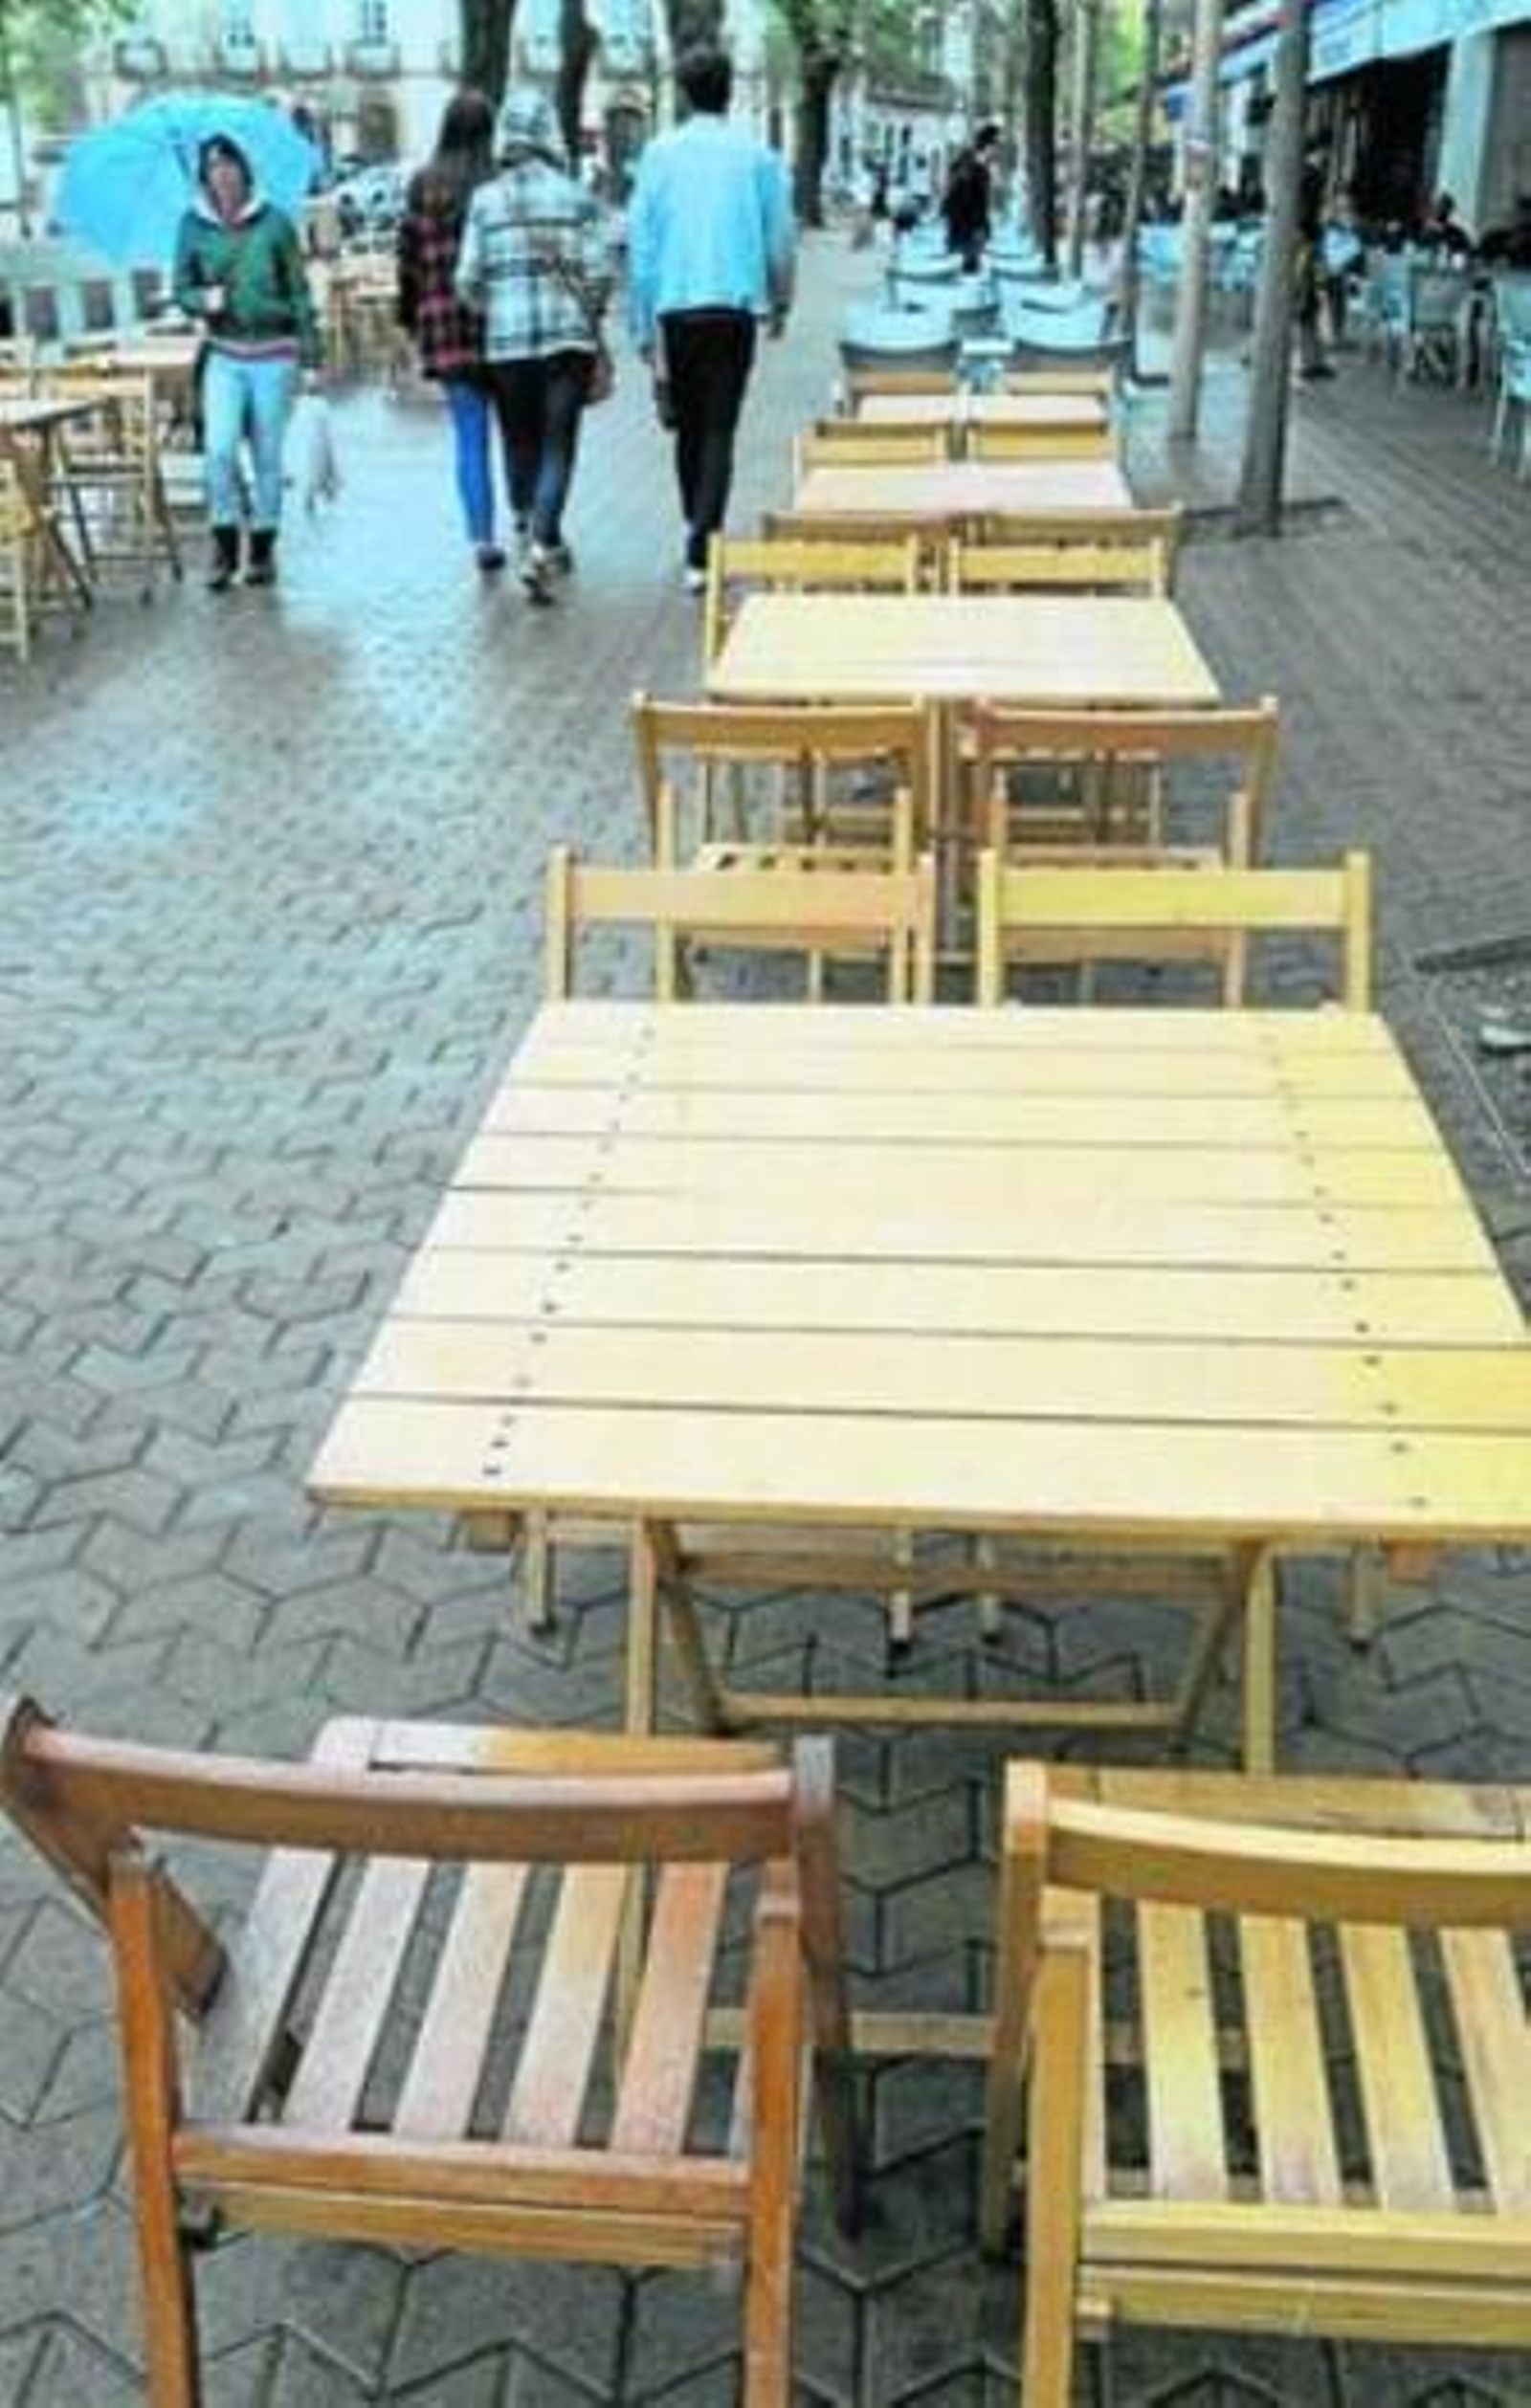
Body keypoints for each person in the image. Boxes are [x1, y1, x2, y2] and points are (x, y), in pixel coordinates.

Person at [627, 41, 795, 594]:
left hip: (676, 308)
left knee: (689, 427)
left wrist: (640, 324)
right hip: (733, 308)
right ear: (729, 91)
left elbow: (642, 244)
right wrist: (781, 301)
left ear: (684, 92)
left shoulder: (658, 156)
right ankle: (703, 540)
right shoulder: (758, 158)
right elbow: (780, 238)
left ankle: (695, 530)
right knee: (720, 427)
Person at [455, 88, 610, 605]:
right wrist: (590, 311)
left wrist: (496, 305)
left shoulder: (485, 200)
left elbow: (467, 279)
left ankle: (529, 525)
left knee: (520, 442)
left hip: (508, 346)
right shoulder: (576, 196)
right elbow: (599, 272)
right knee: (558, 444)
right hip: (568, 342)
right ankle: (544, 541)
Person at [172, 133, 322, 590]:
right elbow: (181, 288)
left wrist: (311, 358)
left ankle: (262, 549)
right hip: (224, 354)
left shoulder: (274, 223)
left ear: (243, 169)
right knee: (218, 450)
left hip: (275, 356)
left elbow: (299, 292)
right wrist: (204, 300)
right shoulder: (192, 225)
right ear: (204, 176)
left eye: (229, 164)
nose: (222, 174)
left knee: (267, 457)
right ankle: (223, 544)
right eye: (213, 167)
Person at [397, 89, 508, 574]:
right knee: (517, 433)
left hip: (444, 324)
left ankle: (482, 536)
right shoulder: (498, 182)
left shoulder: (423, 184)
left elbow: (408, 258)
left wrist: (409, 319)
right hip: (499, 323)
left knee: (469, 435)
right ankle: (528, 521)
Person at [941, 123, 1000, 273]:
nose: (997, 151)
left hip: (969, 219)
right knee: (970, 257)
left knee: (972, 253)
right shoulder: (972, 160)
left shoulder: (975, 159)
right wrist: (977, 224)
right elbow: (962, 191)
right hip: (967, 219)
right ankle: (969, 263)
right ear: (988, 144)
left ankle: (970, 261)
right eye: (996, 145)